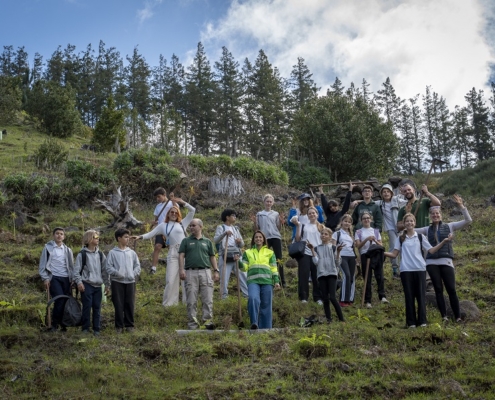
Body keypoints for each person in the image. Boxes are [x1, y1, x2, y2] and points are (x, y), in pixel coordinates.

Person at [385, 213, 453, 328]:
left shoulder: (421, 237)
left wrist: (444, 242)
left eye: (411, 221)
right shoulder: (400, 238)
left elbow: (431, 250)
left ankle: (422, 321)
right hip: (406, 270)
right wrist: (381, 251)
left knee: (421, 296)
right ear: (404, 223)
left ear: (414, 223)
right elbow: (394, 254)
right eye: (407, 221)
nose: (409, 223)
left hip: (420, 269)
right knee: (409, 297)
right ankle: (411, 322)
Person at [414, 195, 472, 322]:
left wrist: (461, 207)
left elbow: (468, 221)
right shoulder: (425, 229)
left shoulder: (450, 226)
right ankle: (444, 317)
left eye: (437, 213)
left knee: (451, 289)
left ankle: (457, 317)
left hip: (446, 261)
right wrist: (408, 218)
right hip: (431, 262)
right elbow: (410, 230)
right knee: (438, 290)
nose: (435, 215)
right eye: (433, 214)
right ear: (430, 216)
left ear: (441, 214)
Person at [133, 197, 194, 306]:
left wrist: (183, 202)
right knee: (171, 279)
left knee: (187, 279)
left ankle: (187, 303)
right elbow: (150, 234)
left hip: (184, 252)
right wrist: (140, 237)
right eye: (172, 212)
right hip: (172, 252)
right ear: (168, 214)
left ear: (178, 214)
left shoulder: (182, 224)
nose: (174, 214)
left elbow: (192, 211)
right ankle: (169, 304)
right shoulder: (163, 226)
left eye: (176, 212)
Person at [179, 218, 220, 330]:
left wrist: (216, 270)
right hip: (190, 272)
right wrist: (181, 270)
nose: (191, 227)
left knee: (207, 298)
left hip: (206, 271)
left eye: (194, 225)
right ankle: (192, 324)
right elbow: (181, 255)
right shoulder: (186, 241)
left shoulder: (207, 242)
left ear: (200, 227)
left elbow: (212, 256)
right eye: (190, 226)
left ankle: (207, 322)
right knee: (191, 299)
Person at [238, 230, 281, 329]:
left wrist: (276, 281)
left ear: (263, 239)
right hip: (253, 281)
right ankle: (254, 323)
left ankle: (266, 328)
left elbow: (273, 268)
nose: (258, 239)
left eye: (260, 237)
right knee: (253, 298)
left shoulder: (270, 253)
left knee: (266, 305)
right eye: (256, 237)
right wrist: (239, 262)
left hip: (267, 281)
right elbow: (244, 267)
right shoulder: (247, 252)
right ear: (253, 239)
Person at [73, 230, 109, 336]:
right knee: (87, 307)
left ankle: (96, 329)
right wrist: (79, 283)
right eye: (95, 237)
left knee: (97, 307)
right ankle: (85, 328)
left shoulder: (101, 254)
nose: (97, 239)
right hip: (86, 284)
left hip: (98, 285)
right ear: (89, 239)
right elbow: (76, 270)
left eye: (98, 237)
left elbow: (105, 271)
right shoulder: (82, 254)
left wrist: (107, 284)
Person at [105, 228, 141, 333]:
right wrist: (117, 273)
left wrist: (132, 274)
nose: (128, 239)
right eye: (125, 237)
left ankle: (129, 325)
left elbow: (137, 266)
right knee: (118, 303)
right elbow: (108, 267)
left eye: (128, 237)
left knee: (129, 303)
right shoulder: (112, 253)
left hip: (130, 282)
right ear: (119, 238)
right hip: (117, 282)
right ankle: (119, 326)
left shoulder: (132, 253)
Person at [39, 227, 74, 332]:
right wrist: (45, 278)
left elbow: (71, 266)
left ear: (64, 236)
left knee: (66, 301)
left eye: (61, 234)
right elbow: (42, 265)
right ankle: (54, 325)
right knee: (59, 300)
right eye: (57, 233)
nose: (59, 235)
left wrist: (72, 279)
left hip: (66, 278)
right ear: (53, 235)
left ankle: (63, 324)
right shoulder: (48, 248)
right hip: (54, 277)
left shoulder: (68, 250)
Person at [308, 227, 345, 323]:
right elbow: (316, 262)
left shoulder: (333, 248)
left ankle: (341, 319)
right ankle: (329, 320)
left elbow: (337, 263)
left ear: (330, 237)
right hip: (321, 274)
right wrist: (312, 250)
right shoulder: (317, 248)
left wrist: (338, 252)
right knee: (325, 298)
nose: (323, 235)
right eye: (322, 234)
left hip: (332, 273)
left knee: (332, 297)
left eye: (325, 234)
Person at [291, 206, 324, 305]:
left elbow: (325, 240)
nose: (312, 215)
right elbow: (297, 239)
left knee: (317, 276)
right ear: (307, 215)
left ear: (317, 214)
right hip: (305, 252)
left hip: (317, 253)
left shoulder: (322, 227)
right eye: (309, 213)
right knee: (303, 275)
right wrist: (297, 226)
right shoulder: (303, 226)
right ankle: (303, 297)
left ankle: (318, 297)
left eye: (313, 213)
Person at [214, 209, 248, 299]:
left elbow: (242, 244)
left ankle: (247, 295)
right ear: (227, 217)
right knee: (224, 277)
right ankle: (223, 297)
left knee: (243, 275)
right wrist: (225, 234)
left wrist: (239, 241)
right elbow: (216, 240)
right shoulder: (221, 227)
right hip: (225, 254)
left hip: (236, 254)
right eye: (233, 215)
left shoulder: (235, 228)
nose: (235, 217)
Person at [355, 212, 387, 308]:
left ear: (371, 219)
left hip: (376, 254)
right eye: (364, 218)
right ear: (361, 220)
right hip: (365, 254)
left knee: (379, 275)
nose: (366, 220)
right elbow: (358, 246)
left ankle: (382, 296)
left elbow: (381, 245)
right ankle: (368, 300)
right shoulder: (358, 232)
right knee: (367, 277)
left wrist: (375, 241)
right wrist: (366, 239)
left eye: (368, 218)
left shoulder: (376, 231)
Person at [375, 184, 407, 278]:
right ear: (381, 194)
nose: (386, 193)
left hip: (400, 228)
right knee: (393, 248)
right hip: (390, 229)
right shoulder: (380, 203)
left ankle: (403, 269)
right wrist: (357, 201)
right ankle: (395, 270)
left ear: (391, 193)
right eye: (384, 192)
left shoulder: (397, 200)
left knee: (403, 248)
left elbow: (408, 202)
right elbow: (370, 202)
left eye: (388, 191)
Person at [255, 194, 285, 287]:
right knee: (265, 259)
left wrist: (280, 221)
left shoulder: (276, 214)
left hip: (275, 237)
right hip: (265, 238)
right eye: (267, 201)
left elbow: (278, 228)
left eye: (270, 201)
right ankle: (267, 279)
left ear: (273, 203)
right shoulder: (259, 214)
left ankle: (281, 280)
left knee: (278, 259)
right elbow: (257, 229)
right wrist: (254, 222)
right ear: (264, 202)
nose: (268, 203)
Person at [332, 214, 358, 306]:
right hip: (342, 256)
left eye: (349, 222)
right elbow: (333, 247)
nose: (347, 223)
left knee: (352, 277)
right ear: (341, 222)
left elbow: (353, 248)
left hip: (351, 257)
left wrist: (356, 259)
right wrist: (336, 255)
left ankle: (350, 299)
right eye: (345, 221)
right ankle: (343, 300)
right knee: (346, 275)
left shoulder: (351, 235)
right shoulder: (337, 233)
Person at [149, 187, 176, 274]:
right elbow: (156, 218)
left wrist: (173, 200)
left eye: (159, 197)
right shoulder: (158, 206)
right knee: (157, 247)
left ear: (164, 195)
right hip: (161, 229)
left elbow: (177, 211)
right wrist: (154, 222)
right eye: (156, 197)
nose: (157, 199)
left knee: (171, 248)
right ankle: (153, 268)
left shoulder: (171, 203)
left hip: (171, 229)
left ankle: (173, 266)